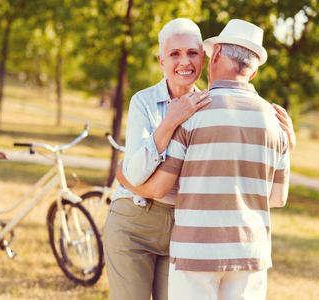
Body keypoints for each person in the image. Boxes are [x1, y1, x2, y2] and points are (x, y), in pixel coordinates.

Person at [122, 19, 290, 300]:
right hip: (251, 254)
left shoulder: (191, 114)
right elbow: (277, 198)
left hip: (195, 253)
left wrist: (123, 175)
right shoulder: (278, 122)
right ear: (254, 70)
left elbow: (160, 186)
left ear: (218, 54)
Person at [104, 18, 212, 300]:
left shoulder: (211, 108)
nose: (184, 62)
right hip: (133, 223)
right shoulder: (143, 102)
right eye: (175, 54)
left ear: (203, 57)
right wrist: (171, 120)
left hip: (183, 231)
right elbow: (136, 173)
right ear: (161, 60)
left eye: (192, 53)